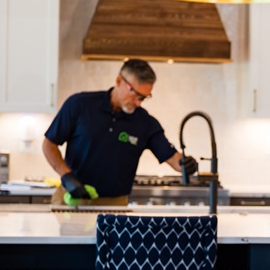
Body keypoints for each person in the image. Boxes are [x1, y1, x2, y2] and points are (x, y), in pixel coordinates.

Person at [42, 58, 196, 206]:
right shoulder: (80, 105)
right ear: (119, 81)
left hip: (114, 205)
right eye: (135, 94)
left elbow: (172, 157)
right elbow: (49, 143)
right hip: (71, 199)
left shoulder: (145, 123)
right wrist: (66, 176)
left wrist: (185, 164)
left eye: (143, 98)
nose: (138, 102)